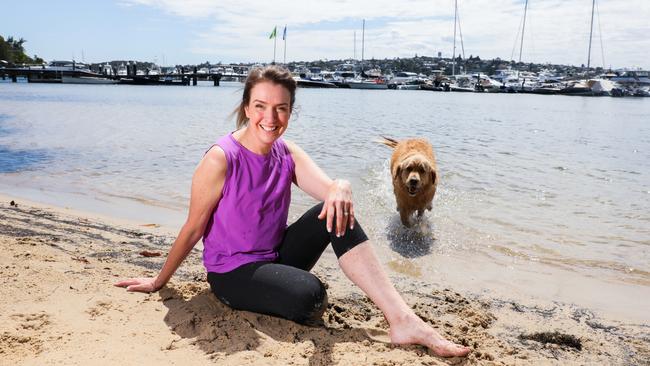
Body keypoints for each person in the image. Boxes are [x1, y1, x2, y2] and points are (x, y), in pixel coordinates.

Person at [115, 65, 470, 358]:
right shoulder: (221, 159)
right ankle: (303, 295)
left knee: (335, 208)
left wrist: (342, 184)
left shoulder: (287, 153)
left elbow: (330, 192)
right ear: (246, 106)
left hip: (275, 257)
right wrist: (158, 281)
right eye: (260, 106)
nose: (270, 118)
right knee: (309, 298)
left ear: (290, 111)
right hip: (232, 273)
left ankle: (402, 319)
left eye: (281, 108)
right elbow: (193, 228)